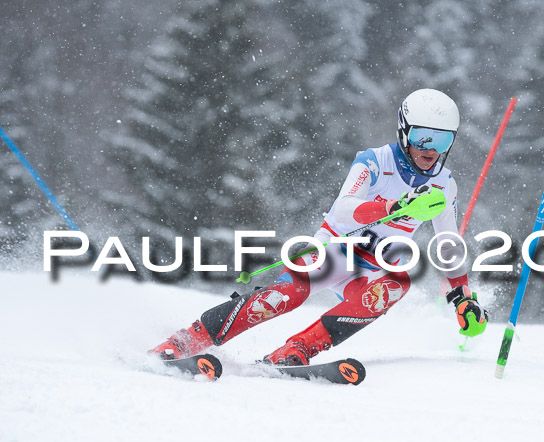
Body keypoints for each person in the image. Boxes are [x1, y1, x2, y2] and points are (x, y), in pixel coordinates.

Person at [149, 89, 489, 365]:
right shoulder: (373, 161)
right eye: (423, 138)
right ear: (404, 131)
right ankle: (187, 340)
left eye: (442, 141)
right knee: (287, 296)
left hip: (376, 269)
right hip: (335, 249)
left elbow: (448, 243)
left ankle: (297, 350)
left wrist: (461, 296)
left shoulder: (445, 185)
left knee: (397, 284)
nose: (431, 151)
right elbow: (344, 208)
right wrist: (394, 206)